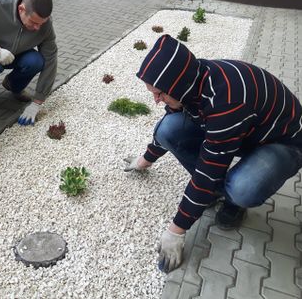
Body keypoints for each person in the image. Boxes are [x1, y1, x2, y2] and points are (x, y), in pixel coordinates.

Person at [125, 34, 302, 273]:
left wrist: (175, 231)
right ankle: (216, 193)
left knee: (242, 187)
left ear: (178, 86)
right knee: (168, 129)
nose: (156, 101)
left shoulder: (226, 101)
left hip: (282, 142)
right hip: (247, 129)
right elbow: (171, 120)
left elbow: (209, 169)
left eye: (160, 94)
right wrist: (144, 160)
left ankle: (231, 200)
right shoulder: (190, 81)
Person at [0, 0, 58, 126]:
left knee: (36, 61)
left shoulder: (45, 24)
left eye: (41, 23)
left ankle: (13, 85)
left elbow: (51, 57)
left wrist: (38, 101)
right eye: (34, 22)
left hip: (20, 55)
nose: (37, 28)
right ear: (21, 9)